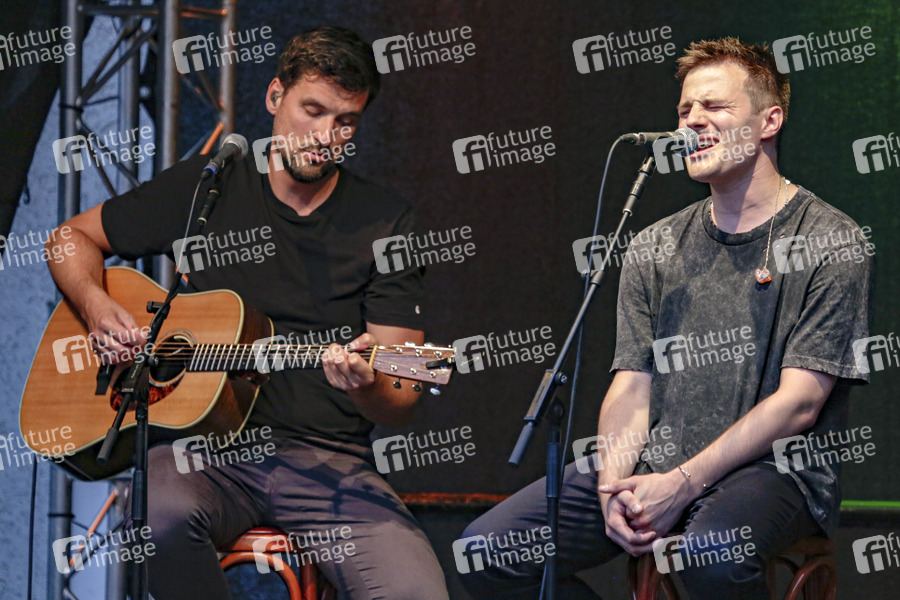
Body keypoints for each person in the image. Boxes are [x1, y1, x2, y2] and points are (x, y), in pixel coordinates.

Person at [459, 37, 873, 599]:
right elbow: (632, 385)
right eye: (684, 109)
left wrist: (682, 484)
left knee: (712, 553)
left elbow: (800, 401)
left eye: (715, 106)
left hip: (774, 469)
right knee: (486, 552)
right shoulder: (655, 244)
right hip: (658, 456)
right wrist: (612, 488)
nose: (692, 121)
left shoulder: (829, 238)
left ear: (769, 121)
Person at [46, 26, 449, 600]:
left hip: (329, 462)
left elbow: (404, 391)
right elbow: (69, 239)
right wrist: (97, 306)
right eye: (313, 110)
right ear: (275, 96)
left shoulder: (385, 222)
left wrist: (366, 386)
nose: (325, 136)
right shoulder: (209, 186)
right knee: (158, 516)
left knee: (414, 593)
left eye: (346, 121)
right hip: (202, 452)